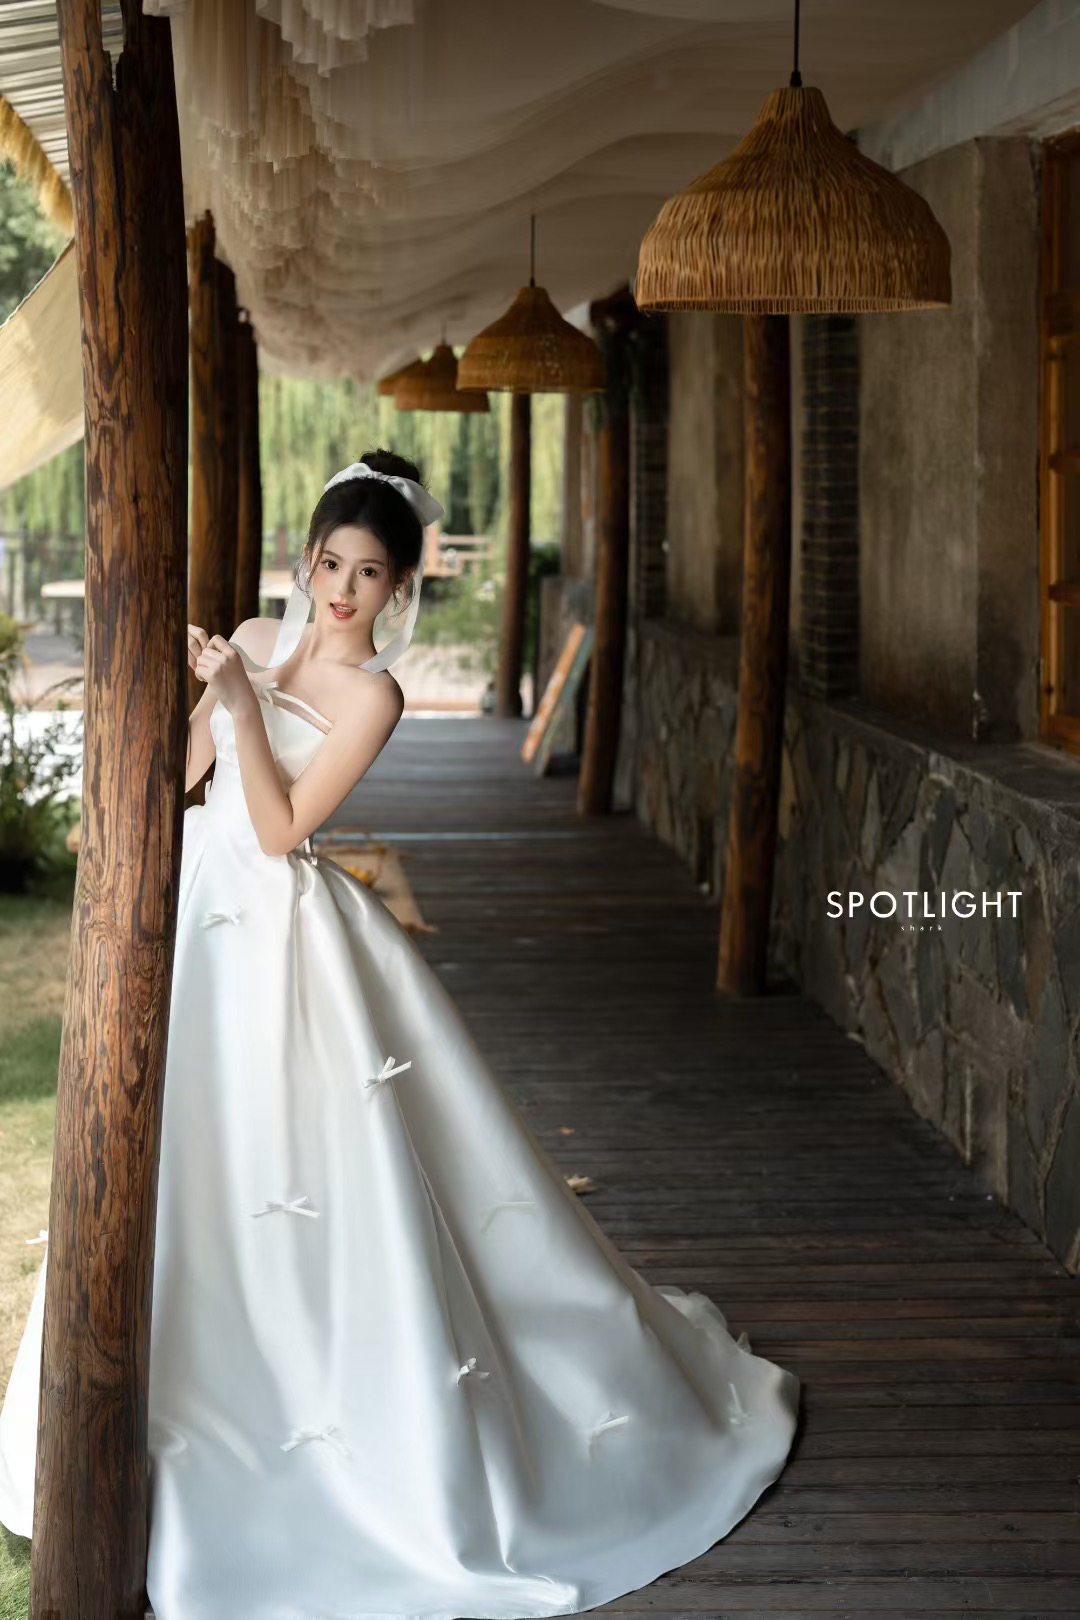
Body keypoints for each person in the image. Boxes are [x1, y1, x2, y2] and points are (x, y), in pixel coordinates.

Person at [0, 449, 801, 1619]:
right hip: (201, 917)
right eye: (330, 563)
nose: (341, 591)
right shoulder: (254, 637)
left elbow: (282, 829)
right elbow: (184, 777)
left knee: (297, 1167)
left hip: (284, 936)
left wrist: (241, 704)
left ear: (399, 586)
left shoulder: (374, 696)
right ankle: (149, 1409)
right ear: (306, 560)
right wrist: (194, 709)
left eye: (368, 573)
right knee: (170, 1155)